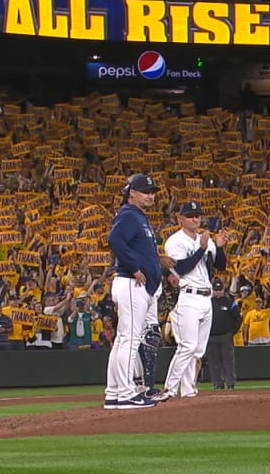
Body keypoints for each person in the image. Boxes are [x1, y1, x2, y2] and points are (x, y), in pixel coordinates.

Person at [103, 173, 175, 410]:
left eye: (153, 192)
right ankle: (126, 394)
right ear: (132, 192)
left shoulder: (137, 217)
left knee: (124, 340)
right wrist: (134, 267)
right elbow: (114, 240)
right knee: (130, 340)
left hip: (134, 285)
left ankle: (114, 392)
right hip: (131, 284)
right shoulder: (129, 214)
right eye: (146, 191)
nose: (151, 196)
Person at [154, 202, 227, 402]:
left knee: (197, 351)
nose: (195, 219)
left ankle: (188, 390)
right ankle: (169, 388)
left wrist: (219, 248)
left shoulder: (206, 238)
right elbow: (182, 268)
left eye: (197, 215)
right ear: (181, 219)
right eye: (190, 216)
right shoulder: (175, 241)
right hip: (187, 296)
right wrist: (201, 249)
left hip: (206, 297)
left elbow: (220, 265)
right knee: (187, 346)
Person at [207, 280, 241, 389]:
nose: (217, 292)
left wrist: (232, 332)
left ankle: (230, 383)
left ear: (223, 290)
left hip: (225, 336)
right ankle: (217, 383)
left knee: (228, 361)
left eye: (219, 290)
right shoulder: (208, 303)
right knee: (214, 362)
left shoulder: (230, 302)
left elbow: (238, 318)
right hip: (211, 336)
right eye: (215, 290)